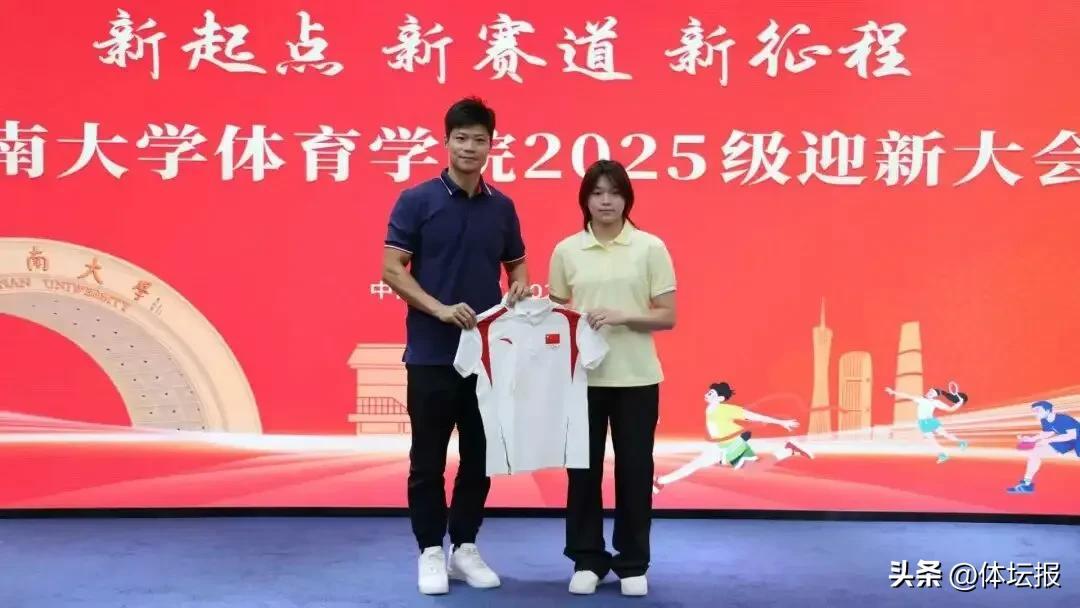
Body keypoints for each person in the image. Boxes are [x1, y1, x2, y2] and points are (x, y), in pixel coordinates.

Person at [382, 97, 530, 595]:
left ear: (491, 145)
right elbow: (391, 269)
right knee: (427, 459)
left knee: (480, 456)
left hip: (487, 358)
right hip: (430, 353)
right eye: (461, 138)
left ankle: (464, 547)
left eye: (479, 139)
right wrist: (440, 309)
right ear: (446, 142)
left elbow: (517, 264)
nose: (470, 147)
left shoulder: (502, 207)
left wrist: (519, 287)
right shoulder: (417, 200)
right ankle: (429, 550)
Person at [548, 159, 676, 597]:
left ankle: (632, 562)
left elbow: (668, 316)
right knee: (582, 473)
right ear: (585, 199)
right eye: (597, 193)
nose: (606, 201)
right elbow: (557, 316)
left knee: (635, 471)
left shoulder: (649, 247)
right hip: (581, 380)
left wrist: (624, 317)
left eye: (615, 193)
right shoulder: (567, 251)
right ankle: (587, 558)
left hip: (636, 378)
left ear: (627, 198)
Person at [652, 381, 813, 493]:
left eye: (711, 393)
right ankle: (660, 482)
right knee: (695, 465)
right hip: (718, 446)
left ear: (720, 398)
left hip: (731, 444)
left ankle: (788, 450)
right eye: (708, 392)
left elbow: (753, 416)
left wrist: (781, 422)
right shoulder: (710, 409)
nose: (707, 394)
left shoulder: (725, 409)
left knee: (753, 470)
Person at [1007, 400, 1080, 494]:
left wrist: (1049, 440)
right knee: (1034, 453)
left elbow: (1072, 435)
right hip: (1066, 441)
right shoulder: (1044, 420)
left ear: (1048, 410)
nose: (1035, 413)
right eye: (1034, 411)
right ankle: (1027, 484)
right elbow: (1048, 432)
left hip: (1076, 439)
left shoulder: (1063, 418)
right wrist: (1031, 439)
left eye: (1038, 410)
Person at [884, 385, 968, 463]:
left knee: (945, 434)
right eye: (930, 391)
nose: (930, 393)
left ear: (935, 396)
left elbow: (950, 409)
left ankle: (961, 442)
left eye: (933, 393)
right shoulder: (920, 398)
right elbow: (907, 395)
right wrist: (893, 392)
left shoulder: (936, 402)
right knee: (932, 441)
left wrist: (959, 403)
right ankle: (943, 454)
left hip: (931, 421)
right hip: (923, 423)